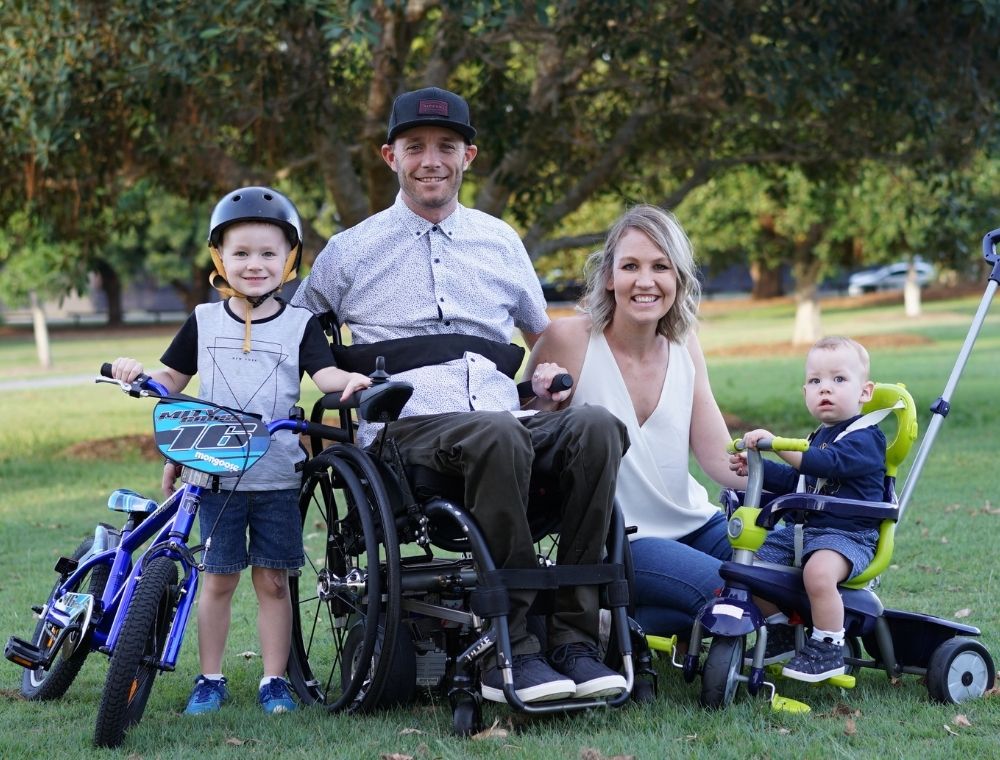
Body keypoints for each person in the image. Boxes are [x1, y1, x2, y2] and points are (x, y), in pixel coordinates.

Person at [291, 86, 629, 704]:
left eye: (446, 146)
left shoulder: (500, 241)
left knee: (597, 426)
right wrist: (328, 381)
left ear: (468, 156)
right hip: (407, 433)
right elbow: (296, 324)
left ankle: (576, 640)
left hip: (503, 417)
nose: (431, 160)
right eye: (414, 147)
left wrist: (551, 381)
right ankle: (514, 645)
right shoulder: (350, 249)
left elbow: (542, 331)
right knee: (495, 433)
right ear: (388, 155)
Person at [111, 186, 372, 715]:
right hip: (214, 474)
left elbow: (323, 375)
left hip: (277, 473)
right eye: (242, 253)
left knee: (275, 581)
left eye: (269, 253)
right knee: (218, 579)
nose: (255, 264)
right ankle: (210, 678)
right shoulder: (203, 322)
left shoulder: (300, 325)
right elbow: (170, 379)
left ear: (290, 260)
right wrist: (134, 373)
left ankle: (274, 681)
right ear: (220, 259)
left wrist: (350, 379)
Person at [524, 204, 745, 637]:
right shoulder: (568, 339)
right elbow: (523, 448)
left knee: (781, 577)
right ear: (609, 277)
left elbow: (720, 458)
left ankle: (625, 625)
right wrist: (546, 404)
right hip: (622, 540)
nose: (646, 281)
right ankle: (621, 620)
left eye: (660, 266)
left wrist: (802, 474)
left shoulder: (685, 343)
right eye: (630, 266)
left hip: (698, 522)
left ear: (677, 277)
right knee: (731, 593)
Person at [729, 335, 886, 682]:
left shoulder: (867, 438)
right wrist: (758, 468)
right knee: (748, 567)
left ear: (865, 392)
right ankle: (781, 628)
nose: (825, 389)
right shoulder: (820, 436)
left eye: (839, 379)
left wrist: (776, 444)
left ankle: (828, 646)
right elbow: (797, 479)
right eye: (815, 381)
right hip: (807, 534)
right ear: (805, 393)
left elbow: (824, 465)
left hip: (850, 536)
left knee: (818, 574)